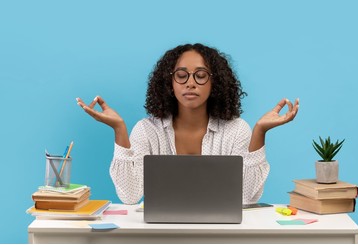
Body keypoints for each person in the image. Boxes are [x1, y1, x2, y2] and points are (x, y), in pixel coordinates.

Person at [76, 43, 299, 205]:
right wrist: (119, 129)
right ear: (169, 82)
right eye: (181, 75)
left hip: (221, 237)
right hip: (161, 237)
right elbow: (129, 196)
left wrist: (259, 131)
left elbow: (247, 197)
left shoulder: (236, 129)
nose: (190, 83)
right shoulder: (147, 130)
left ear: (215, 82)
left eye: (200, 75)